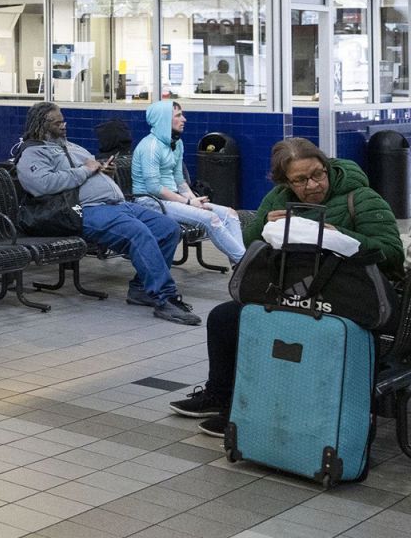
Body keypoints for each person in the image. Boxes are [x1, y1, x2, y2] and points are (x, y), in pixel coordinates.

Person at [169, 137, 404, 437]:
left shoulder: (360, 198)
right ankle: (221, 395)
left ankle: (245, 411)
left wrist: (337, 233)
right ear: (285, 182)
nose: (313, 185)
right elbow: (246, 244)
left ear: (326, 165)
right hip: (295, 294)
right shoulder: (279, 198)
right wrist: (265, 224)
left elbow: (392, 254)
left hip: (347, 302)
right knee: (223, 318)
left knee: (280, 330)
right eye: (300, 180)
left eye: (318, 174)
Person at [17, 102, 199, 326]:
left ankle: (141, 289)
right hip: (84, 211)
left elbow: (91, 171)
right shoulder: (32, 153)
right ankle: (166, 298)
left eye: (64, 121)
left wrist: (106, 171)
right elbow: (42, 185)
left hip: (117, 204)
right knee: (137, 233)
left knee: (167, 228)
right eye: (58, 122)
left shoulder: (72, 147)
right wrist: (86, 170)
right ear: (42, 124)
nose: (64, 126)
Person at [132, 100, 244, 264]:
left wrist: (195, 201)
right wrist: (188, 202)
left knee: (230, 214)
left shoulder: (176, 144)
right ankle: (246, 263)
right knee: (211, 218)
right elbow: (154, 188)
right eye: (178, 115)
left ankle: (240, 266)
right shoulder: (150, 147)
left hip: (171, 200)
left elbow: (179, 180)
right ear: (164, 119)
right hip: (150, 202)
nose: (184, 119)